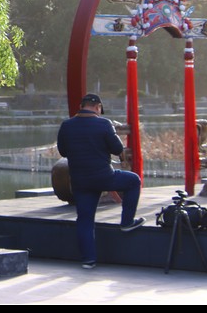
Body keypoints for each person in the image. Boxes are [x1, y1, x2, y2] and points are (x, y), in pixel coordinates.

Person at [57, 94, 144, 269]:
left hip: (80, 181)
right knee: (133, 181)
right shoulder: (104, 124)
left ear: (81, 106)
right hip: (104, 177)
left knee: (85, 219)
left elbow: (63, 152)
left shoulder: (67, 125)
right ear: (98, 107)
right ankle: (127, 222)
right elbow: (117, 149)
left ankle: (88, 260)